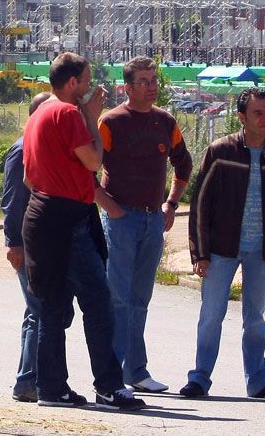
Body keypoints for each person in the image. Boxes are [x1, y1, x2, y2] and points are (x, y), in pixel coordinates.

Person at [21, 53, 145, 411]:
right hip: (68, 219)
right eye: (87, 81)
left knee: (51, 307)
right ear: (72, 83)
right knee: (98, 302)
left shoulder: (39, 114)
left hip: (41, 215)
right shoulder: (67, 112)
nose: (91, 88)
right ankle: (108, 386)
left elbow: (30, 178)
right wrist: (92, 119)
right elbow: (94, 160)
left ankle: (52, 388)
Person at [180, 88, 265, 400]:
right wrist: (199, 252)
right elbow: (201, 203)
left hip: (263, 251)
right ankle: (200, 378)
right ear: (241, 117)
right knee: (211, 315)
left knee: (255, 319)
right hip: (220, 250)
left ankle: (258, 381)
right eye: (258, 113)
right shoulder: (221, 151)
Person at [96, 57, 193, 394]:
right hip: (121, 220)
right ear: (127, 87)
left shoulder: (165, 121)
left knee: (140, 299)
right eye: (143, 81)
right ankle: (112, 375)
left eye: (154, 80)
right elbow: (86, 169)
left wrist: (171, 205)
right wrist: (109, 206)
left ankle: (136, 372)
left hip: (154, 220)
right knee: (118, 299)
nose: (151, 87)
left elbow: (184, 165)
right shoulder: (110, 122)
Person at [1, 91, 53, 403]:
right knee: (41, 311)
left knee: (35, 311)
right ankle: (28, 381)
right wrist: (14, 244)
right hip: (27, 244)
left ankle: (27, 378)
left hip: (41, 242)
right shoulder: (21, 151)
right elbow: (12, 201)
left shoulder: (42, 149)